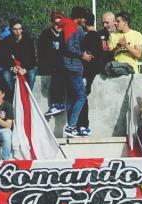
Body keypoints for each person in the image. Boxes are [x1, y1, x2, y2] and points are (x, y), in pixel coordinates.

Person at [59, 8, 92, 138]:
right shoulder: (71, 26)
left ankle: (71, 127)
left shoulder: (68, 26)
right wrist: (82, 55)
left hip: (68, 66)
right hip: (72, 67)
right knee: (82, 96)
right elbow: (70, 47)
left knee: (72, 98)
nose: (85, 21)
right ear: (79, 18)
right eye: (84, 18)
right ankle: (71, 126)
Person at [0, 18, 37, 100]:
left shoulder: (28, 41)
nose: (18, 32)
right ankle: (14, 97)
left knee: (32, 73)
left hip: (25, 67)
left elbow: (32, 59)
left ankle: (27, 96)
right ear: (11, 30)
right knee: (6, 75)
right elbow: (3, 59)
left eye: (20, 29)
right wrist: (12, 68)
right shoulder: (5, 42)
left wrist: (24, 68)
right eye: (15, 29)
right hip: (12, 68)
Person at [76, 13, 102, 137]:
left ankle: (83, 125)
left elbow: (90, 56)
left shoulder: (90, 37)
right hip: (90, 72)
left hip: (88, 73)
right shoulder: (95, 36)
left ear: (85, 21)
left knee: (82, 97)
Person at [39, 12, 66, 117]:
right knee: (58, 72)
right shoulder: (46, 35)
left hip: (62, 63)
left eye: (61, 23)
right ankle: (56, 103)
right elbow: (47, 54)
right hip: (48, 65)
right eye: (56, 24)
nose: (58, 26)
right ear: (51, 23)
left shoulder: (65, 33)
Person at [106, 11, 142, 76]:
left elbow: (138, 54)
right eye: (115, 21)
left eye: (118, 21)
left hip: (132, 72)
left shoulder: (137, 35)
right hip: (117, 71)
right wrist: (117, 48)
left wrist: (126, 45)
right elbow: (110, 55)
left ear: (125, 23)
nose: (115, 23)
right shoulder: (112, 35)